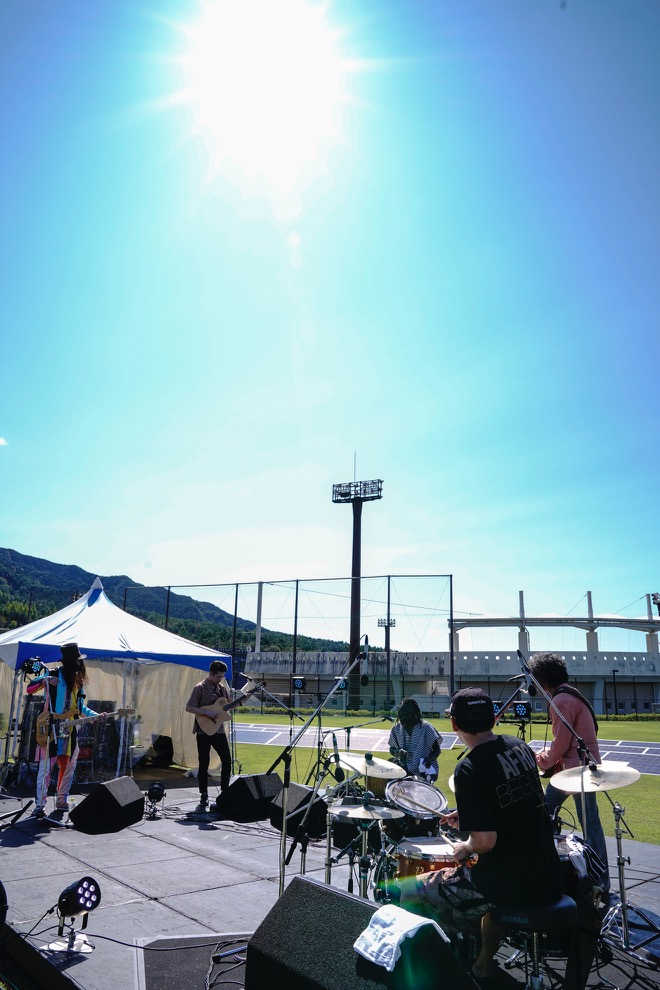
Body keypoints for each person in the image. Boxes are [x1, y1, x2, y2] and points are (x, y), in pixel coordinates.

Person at [399, 688, 562, 981]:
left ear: (454, 724)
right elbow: (515, 802)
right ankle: (483, 963)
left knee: (411, 889)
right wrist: (468, 815)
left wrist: (464, 847)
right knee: (474, 883)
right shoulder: (521, 747)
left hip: (508, 884)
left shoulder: (469, 768)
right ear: (494, 719)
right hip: (547, 872)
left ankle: (432, 975)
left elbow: (485, 842)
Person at [528, 651, 610, 895]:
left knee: (546, 814)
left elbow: (561, 745)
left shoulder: (561, 701)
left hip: (575, 772)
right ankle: (598, 879)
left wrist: (539, 759)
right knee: (583, 820)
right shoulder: (571, 694)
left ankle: (594, 879)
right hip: (580, 768)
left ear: (542, 678)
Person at [26, 642, 105, 819]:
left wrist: (96, 716)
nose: (79, 663)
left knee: (68, 767)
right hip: (51, 729)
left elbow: (81, 708)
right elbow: (30, 688)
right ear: (69, 662)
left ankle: (61, 800)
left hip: (70, 731)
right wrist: (45, 680)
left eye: (79, 660)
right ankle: (40, 805)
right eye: (76, 660)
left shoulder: (78, 682)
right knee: (45, 769)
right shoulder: (53, 674)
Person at [185, 660, 232, 811]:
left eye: (222, 677)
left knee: (227, 759)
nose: (220, 679)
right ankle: (203, 794)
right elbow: (189, 707)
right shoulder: (199, 688)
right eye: (218, 676)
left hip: (218, 730)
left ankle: (224, 791)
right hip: (203, 731)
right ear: (211, 673)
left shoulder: (222, 689)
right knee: (204, 762)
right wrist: (206, 712)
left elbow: (228, 707)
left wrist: (243, 700)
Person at [388, 697, 442, 780]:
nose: (404, 716)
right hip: (404, 769)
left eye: (408, 713)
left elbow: (437, 750)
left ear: (415, 713)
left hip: (424, 771)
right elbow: (391, 749)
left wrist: (430, 759)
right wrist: (397, 752)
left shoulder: (426, 727)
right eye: (402, 712)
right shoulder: (396, 729)